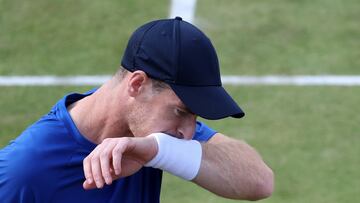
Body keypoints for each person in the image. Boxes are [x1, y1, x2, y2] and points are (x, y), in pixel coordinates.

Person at [0, 17, 273, 202]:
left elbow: (259, 182)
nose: (188, 133)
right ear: (137, 84)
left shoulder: (152, 136)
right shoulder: (23, 171)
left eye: (195, 117)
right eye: (181, 111)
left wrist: (158, 152)